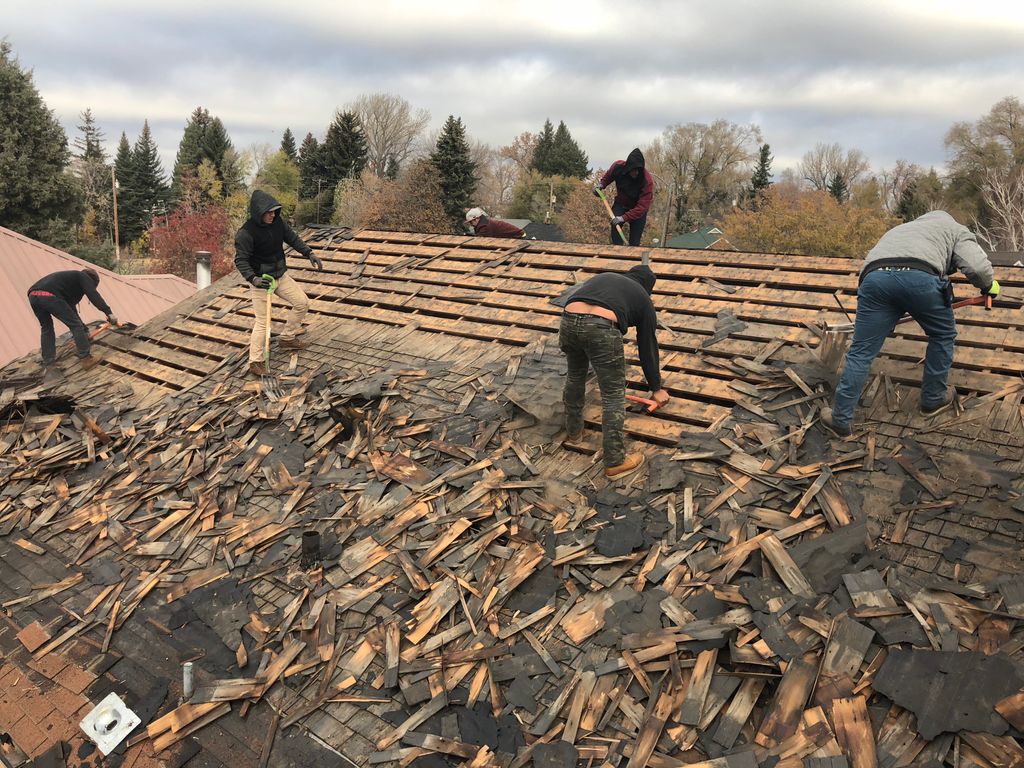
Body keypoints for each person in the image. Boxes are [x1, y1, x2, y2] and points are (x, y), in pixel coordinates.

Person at [822, 211, 1000, 436]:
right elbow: (977, 267)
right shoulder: (954, 229)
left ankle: (840, 419)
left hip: (874, 280)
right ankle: (933, 400)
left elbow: (878, 261)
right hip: (920, 279)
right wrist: (988, 286)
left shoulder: (901, 229)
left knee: (860, 352)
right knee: (942, 335)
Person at [559, 264, 670, 478]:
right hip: (601, 327)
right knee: (612, 394)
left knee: (575, 376)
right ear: (648, 287)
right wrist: (656, 387)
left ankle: (574, 432)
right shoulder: (644, 299)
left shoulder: (606, 277)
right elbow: (647, 345)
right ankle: (615, 461)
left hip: (568, 320)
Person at [235, 190, 323, 376]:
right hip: (261, 280)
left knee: (302, 303)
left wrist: (309, 253)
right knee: (263, 322)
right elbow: (241, 260)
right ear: (259, 212)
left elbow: (293, 238)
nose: (272, 215)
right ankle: (256, 361)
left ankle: (287, 337)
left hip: (280, 276)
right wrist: (253, 279)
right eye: (269, 212)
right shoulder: (246, 233)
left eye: (275, 211)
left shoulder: (278, 224)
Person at [27, 268, 117, 368]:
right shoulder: (83, 276)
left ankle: (49, 362)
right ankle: (86, 359)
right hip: (48, 296)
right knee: (75, 326)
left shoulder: (67, 283)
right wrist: (109, 312)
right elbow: (93, 295)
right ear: (92, 281)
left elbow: (71, 312)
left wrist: (85, 330)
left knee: (46, 328)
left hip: (33, 295)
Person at [594, 148, 654, 246]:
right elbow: (608, 176)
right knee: (615, 225)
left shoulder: (647, 181)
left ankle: (632, 257)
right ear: (628, 168)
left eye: (638, 170)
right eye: (633, 170)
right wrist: (601, 185)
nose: (636, 173)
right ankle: (618, 252)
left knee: (634, 242)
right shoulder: (618, 167)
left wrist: (623, 218)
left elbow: (642, 207)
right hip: (621, 204)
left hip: (637, 210)